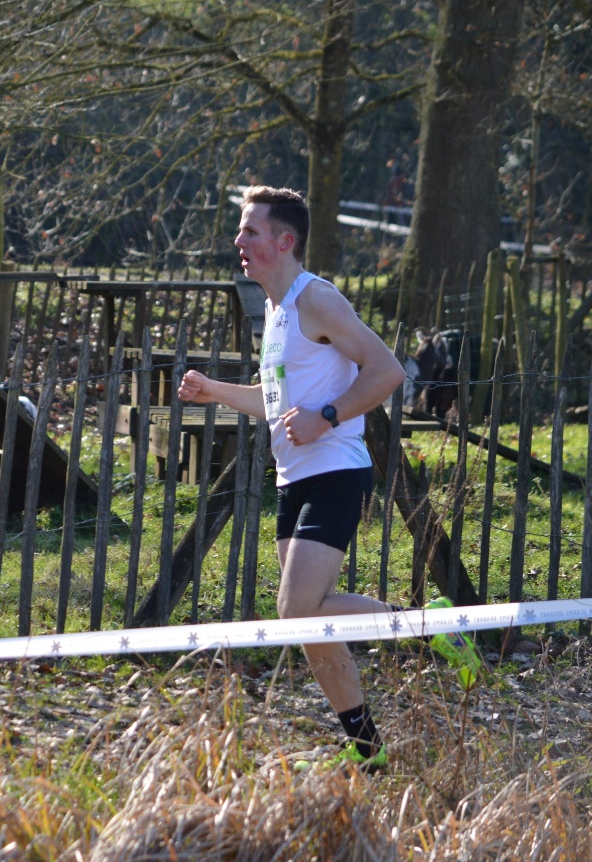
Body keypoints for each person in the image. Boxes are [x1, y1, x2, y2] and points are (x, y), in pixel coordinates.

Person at [177, 185, 482, 771]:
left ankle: (427, 630)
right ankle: (370, 751)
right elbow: (279, 404)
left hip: (337, 472)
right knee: (315, 627)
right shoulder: (275, 309)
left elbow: (388, 371)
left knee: (296, 610)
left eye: (251, 232)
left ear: (284, 241)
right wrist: (214, 391)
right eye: (241, 231)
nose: (238, 241)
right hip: (296, 479)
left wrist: (330, 416)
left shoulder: (317, 300)